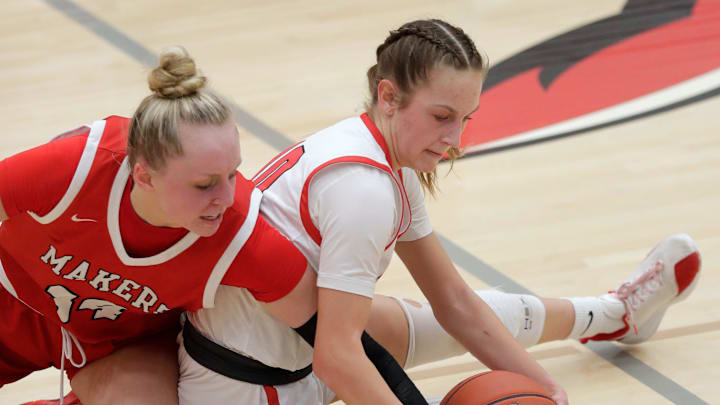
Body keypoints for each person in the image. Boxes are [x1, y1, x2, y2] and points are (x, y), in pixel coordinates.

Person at [176, 19, 702, 405]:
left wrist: (547, 388)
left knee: (479, 310)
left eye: (466, 119)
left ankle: (615, 314)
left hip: (292, 351)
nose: (454, 140)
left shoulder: (384, 157)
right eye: (442, 116)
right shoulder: (362, 191)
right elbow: (336, 359)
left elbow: (453, 299)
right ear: (388, 96)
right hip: (247, 389)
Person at [0, 46, 318, 405]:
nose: (227, 198)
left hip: (119, 347)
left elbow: (339, 339)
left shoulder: (241, 234)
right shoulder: (78, 166)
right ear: (144, 176)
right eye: (205, 184)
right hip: (13, 297)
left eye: (232, 174)